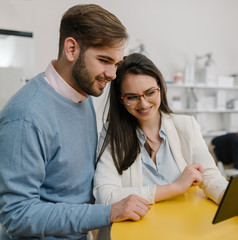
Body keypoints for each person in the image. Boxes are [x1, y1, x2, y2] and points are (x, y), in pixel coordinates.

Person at [0, 4, 150, 240]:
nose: (112, 74)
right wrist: (107, 213)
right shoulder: (26, 116)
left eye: (116, 64)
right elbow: (17, 214)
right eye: (104, 60)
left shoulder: (82, 95)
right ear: (71, 49)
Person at [93, 53, 238, 239]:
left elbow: (211, 177)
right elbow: (106, 195)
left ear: (160, 88)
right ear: (120, 99)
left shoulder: (186, 126)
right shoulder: (111, 134)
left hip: (179, 231)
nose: (143, 103)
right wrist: (175, 187)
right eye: (132, 97)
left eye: (150, 92)